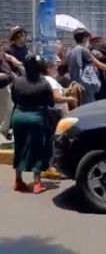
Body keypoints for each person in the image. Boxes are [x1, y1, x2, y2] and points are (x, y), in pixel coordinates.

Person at [10, 55, 56, 194]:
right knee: (37, 149)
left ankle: (18, 180)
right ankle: (37, 183)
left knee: (19, 147)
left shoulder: (17, 81)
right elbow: (51, 103)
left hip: (18, 116)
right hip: (36, 118)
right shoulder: (44, 83)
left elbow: (14, 98)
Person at [42, 58, 77, 179]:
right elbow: (57, 98)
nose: (56, 68)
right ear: (47, 68)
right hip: (55, 112)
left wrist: (68, 90)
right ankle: (53, 167)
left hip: (53, 112)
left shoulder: (49, 80)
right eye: (54, 66)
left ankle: (51, 167)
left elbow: (60, 93)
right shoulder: (50, 80)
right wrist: (70, 99)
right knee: (58, 140)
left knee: (54, 140)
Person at [67, 28, 106, 105]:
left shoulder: (71, 50)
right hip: (84, 86)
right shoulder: (83, 50)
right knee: (88, 106)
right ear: (85, 38)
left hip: (75, 85)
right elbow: (97, 63)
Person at [0, 41, 17, 142]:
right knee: (4, 114)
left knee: (7, 112)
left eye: (2, 50)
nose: (2, 53)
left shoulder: (3, 59)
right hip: (1, 90)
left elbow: (10, 58)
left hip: (6, 89)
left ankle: (3, 135)